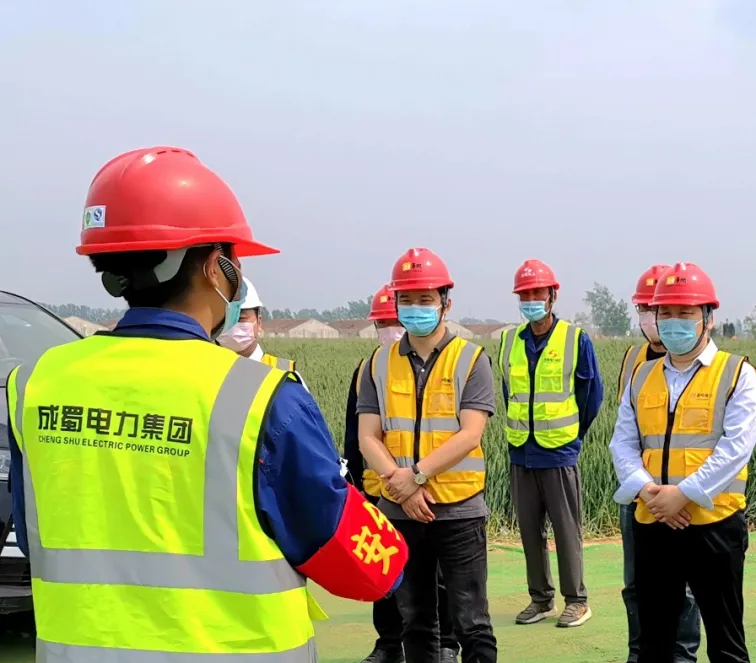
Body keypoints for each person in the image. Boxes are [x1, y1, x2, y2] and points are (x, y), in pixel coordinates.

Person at [3, 147, 407, 662]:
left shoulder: (34, 384)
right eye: (234, 258)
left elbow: (34, 525)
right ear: (216, 269)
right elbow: (361, 565)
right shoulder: (262, 398)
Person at [609, 262, 756, 663]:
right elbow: (622, 443)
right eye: (666, 313)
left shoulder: (736, 374)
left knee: (726, 642)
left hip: (713, 526)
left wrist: (685, 495)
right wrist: (650, 491)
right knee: (654, 642)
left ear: (708, 319)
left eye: (685, 313)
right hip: (653, 520)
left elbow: (735, 449)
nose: (673, 322)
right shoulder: (641, 376)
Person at [357, 248, 498, 663]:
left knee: (472, 621)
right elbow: (369, 437)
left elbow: (470, 434)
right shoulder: (376, 363)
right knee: (415, 618)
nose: (416, 309)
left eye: (426, 300)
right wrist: (402, 488)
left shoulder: (472, 359)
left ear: (445, 303)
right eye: (407, 300)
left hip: (458, 511)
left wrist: (414, 476)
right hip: (400, 511)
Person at [344, 283, 460, 663]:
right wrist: (358, 488)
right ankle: (389, 642)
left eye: (396, 321)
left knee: (436, 575)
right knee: (385, 570)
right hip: (383, 492)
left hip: (430, 490)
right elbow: (356, 435)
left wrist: (415, 483)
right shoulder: (369, 369)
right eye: (384, 322)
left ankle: (446, 641)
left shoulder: (443, 363)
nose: (394, 328)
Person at [499, 258, 603, 628]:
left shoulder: (575, 339)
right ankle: (540, 599)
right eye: (524, 294)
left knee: (565, 529)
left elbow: (591, 395)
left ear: (552, 295)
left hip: (558, 451)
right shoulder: (510, 340)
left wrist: (572, 434)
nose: (531, 299)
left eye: (537, 293)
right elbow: (508, 390)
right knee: (529, 530)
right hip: (521, 452)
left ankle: (577, 600)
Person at [616, 264, 701, 663]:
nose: (656, 321)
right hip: (640, 497)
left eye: (664, 311)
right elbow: (624, 433)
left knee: (684, 590)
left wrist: (676, 494)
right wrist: (646, 491)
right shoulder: (634, 360)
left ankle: (681, 655)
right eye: (649, 312)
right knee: (637, 585)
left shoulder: (710, 368)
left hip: (687, 501)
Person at [218, 276, 307, 389]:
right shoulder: (206, 371)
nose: (231, 326)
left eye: (240, 319)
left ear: (259, 323)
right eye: (225, 320)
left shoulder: (285, 378)